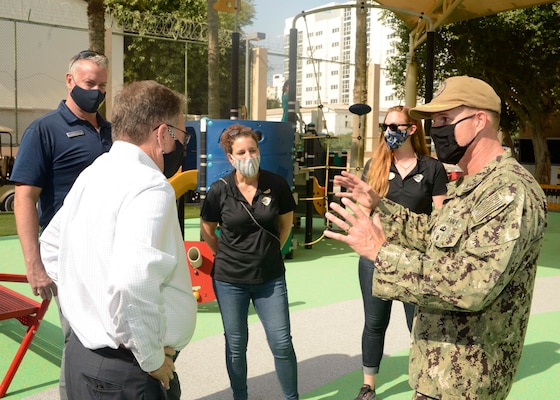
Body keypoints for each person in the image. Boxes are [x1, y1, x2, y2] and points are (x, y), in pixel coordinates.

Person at [324, 76, 547, 399]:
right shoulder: (472, 185)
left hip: (467, 382)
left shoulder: (508, 191)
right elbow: (434, 235)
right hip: (439, 374)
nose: (435, 130)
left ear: (480, 120)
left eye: (444, 120)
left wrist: (381, 252)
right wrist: (380, 207)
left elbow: (472, 286)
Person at [39, 80, 197, 400]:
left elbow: (51, 245)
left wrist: (88, 303)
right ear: (161, 133)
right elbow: (133, 283)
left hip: (84, 357)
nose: (180, 145)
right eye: (180, 135)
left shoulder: (95, 171)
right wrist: (152, 359)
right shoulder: (150, 186)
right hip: (128, 373)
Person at [10, 49, 112, 399]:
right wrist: (33, 263)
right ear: (70, 81)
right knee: (79, 339)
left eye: (102, 86)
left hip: (110, 253)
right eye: (89, 83)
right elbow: (24, 198)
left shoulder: (113, 133)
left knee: (110, 337)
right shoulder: (44, 130)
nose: (96, 92)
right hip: (69, 257)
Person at [353, 106, 448, 400]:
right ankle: (368, 385)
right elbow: (363, 212)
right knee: (374, 323)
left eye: (396, 126)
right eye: (386, 126)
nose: (390, 132)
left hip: (415, 261)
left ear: (412, 129)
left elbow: (440, 218)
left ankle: (424, 386)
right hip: (377, 258)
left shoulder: (432, 168)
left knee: (418, 325)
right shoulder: (375, 166)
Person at [200, 123, 299, 400]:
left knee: (281, 343)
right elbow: (207, 229)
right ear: (230, 158)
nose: (248, 156)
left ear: (259, 151)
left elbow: (285, 225)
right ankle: (239, 397)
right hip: (230, 280)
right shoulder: (219, 190)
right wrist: (227, 254)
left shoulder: (276, 184)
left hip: (270, 278)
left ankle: (292, 398)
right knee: (235, 344)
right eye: (240, 152)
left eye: (252, 150)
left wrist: (268, 252)